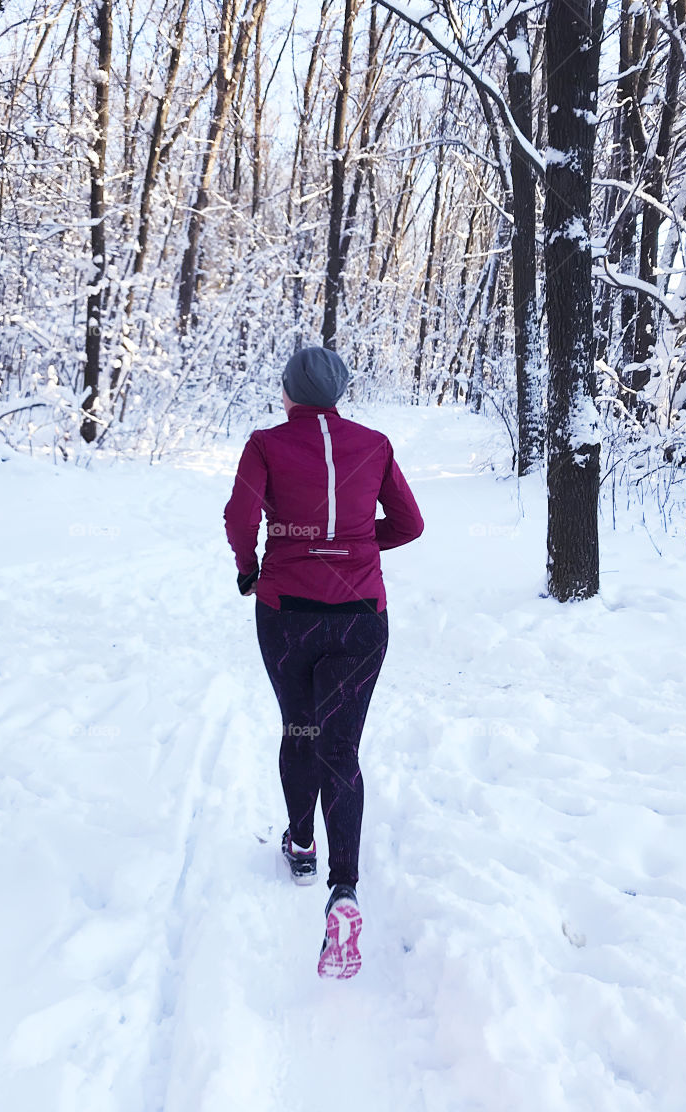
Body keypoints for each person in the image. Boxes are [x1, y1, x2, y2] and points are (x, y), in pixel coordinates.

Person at [223, 345, 424, 978]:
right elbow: (411, 524)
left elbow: (238, 515)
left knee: (300, 728)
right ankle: (345, 890)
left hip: (288, 611)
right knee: (340, 746)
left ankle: (302, 845)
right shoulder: (375, 443)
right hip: (362, 616)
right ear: (339, 395)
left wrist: (250, 568)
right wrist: (357, 543)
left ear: (288, 394)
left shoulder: (265, 444)